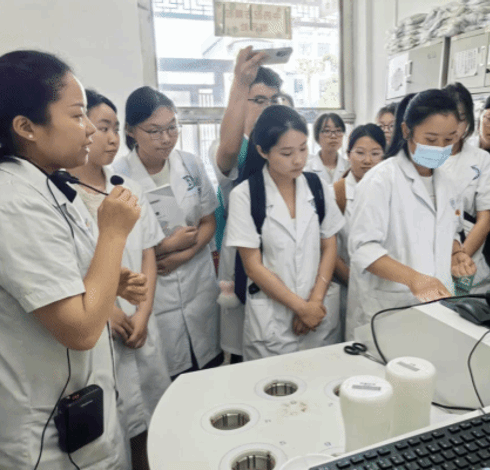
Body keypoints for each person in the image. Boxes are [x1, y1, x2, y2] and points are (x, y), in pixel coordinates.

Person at [0, 50, 142, 469]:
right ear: (26, 127)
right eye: (78, 115)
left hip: (83, 412)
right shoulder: (12, 201)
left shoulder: (50, 185)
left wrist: (109, 282)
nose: (91, 128)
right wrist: (114, 233)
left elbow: (62, 280)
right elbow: (79, 328)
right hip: (45, 438)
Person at [70, 89, 171, 469]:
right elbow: (68, 271)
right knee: (114, 429)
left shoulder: (129, 189)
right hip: (98, 328)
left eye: (115, 128)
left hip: (140, 322)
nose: (112, 138)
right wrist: (107, 312)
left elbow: (147, 254)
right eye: (102, 128)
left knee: (152, 420)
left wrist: (142, 313)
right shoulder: (63, 198)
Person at [346, 90, 476, 340]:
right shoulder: (380, 180)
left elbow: (448, 231)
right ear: (406, 131)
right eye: (431, 139)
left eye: (449, 140)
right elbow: (363, 248)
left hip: (437, 302)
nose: (440, 148)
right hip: (389, 308)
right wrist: (413, 279)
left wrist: (456, 254)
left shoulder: (448, 182)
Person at [113, 86, 222, 379]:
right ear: (131, 131)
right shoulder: (117, 176)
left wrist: (183, 254)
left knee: (210, 370)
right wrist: (165, 248)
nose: (166, 138)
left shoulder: (190, 164)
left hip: (198, 282)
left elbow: (209, 222)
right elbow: (118, 247)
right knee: (169, 376)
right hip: (156, 292)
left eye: (172, 127)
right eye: (154, 131)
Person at [225, 105, 344, 361]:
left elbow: (329, 245)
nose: (299, 160)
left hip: (319, 310)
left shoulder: (318, 187)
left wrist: (314, 303)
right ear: (262, 151)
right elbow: (253, 267)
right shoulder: (245, 196)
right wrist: (301, 308)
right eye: (287, 153)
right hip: (273, 322)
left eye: (303, 148)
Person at [211, 47, 282, 363]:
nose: (267, 108)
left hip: (281, 260)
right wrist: (240, 83)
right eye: (259, 100)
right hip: (242, 266)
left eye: (274, 100)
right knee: (243, 353)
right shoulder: (233, 147)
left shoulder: (284, 149)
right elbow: (227, 150)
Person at [441, 83, 490, 294]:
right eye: (447, 116)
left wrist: (460, 258)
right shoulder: (425, 156)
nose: (454, 125)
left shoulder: (481, 159)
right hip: (429, 255)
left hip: (469, 259)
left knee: (465, 309)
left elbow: (485, 220)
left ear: (469, 119)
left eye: (460, 117)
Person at [333, 123, 386, 285]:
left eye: (375, 153)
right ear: (348, 155)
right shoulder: (335, 194)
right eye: (360, 153)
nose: (368, 160)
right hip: (348, 284)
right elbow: (329, 250)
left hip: (387, 284)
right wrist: (353, 282)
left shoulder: (394, 193)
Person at [305, 113, 349, 184]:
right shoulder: (307, 169)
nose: (333, 136)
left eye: (338, 131)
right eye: (327, 131)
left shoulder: (349, 168)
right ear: (317, 135)